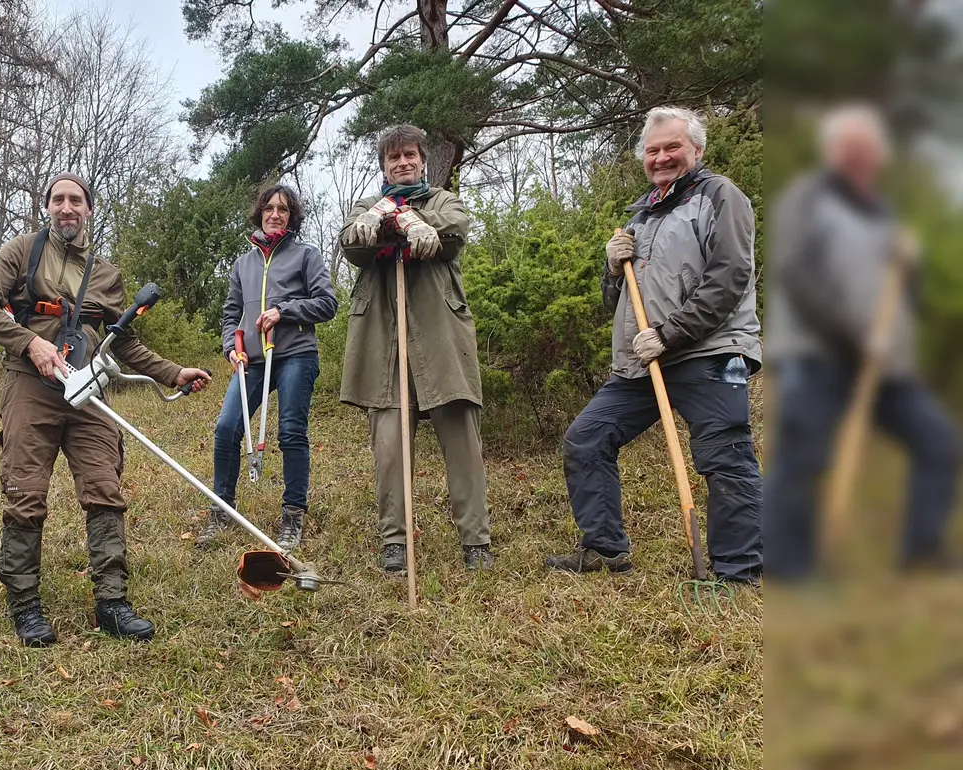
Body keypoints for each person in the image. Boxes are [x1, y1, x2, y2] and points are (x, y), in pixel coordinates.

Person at [0, 172, 211, 647]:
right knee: (26, 492)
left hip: (90, 392)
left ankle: (112, 602)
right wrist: (31, 343)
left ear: (89, 210)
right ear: (47, 207)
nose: (66, 208)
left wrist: (172, 373)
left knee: (104, 488)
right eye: (58, 199)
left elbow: (126, 343)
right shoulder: (22, 251)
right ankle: (25, 606)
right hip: (31, 387)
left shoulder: (107, 274)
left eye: (75, 200)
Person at [543, 107, 763, 584]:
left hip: (709, 351)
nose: (662, 157)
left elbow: (728, 279)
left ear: (697, 151)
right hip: (641, 363)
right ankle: (605, 549)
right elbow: (617, 301)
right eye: (652, 149)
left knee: (725, 454)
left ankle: (737, 571)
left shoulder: (720, 196)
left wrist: (669, 334)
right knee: (587, 438)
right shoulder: (641, 215)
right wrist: (610, 266)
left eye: (672, 147)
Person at [767, 104, 960, 577]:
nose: (860, 158)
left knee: (939, 441)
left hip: (885, 363)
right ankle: (790, 569)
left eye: (868, 151)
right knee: (803, 458)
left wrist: (907, 265)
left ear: (879, 157)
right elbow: (796, 276)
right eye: (850, 149)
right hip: (816, 356)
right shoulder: (804, 198)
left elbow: (902, 297)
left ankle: (922, 550)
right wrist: (854, 335)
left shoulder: (883, 211)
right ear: (832, 152)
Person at [338, 124, 493, 574]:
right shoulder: (367, 206)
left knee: (461, 438)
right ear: (383, 165)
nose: (402, 163)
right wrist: (392, 221)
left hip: (441, 336)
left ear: (423, 160)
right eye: (393, 158)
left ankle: (476, 540)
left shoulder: (443, 199)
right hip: (382, 341)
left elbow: (454, 230)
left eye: (410, 155)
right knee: (388, 447)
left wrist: (407, 220)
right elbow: (352, 242)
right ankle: (395, 541)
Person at [196, 184, 337, 551]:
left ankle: (292, 514)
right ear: (259, 212)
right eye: (270, 208)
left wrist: (284, 310)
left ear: (292, 217)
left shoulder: (306, 255)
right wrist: (232, 346)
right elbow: (231, 314)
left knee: (291, 431)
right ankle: (222, 509)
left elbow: (327, 303)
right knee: (227, 428)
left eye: (284, 210)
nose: (276, 214)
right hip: (254, 360)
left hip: (295, 353)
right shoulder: (242, 264)